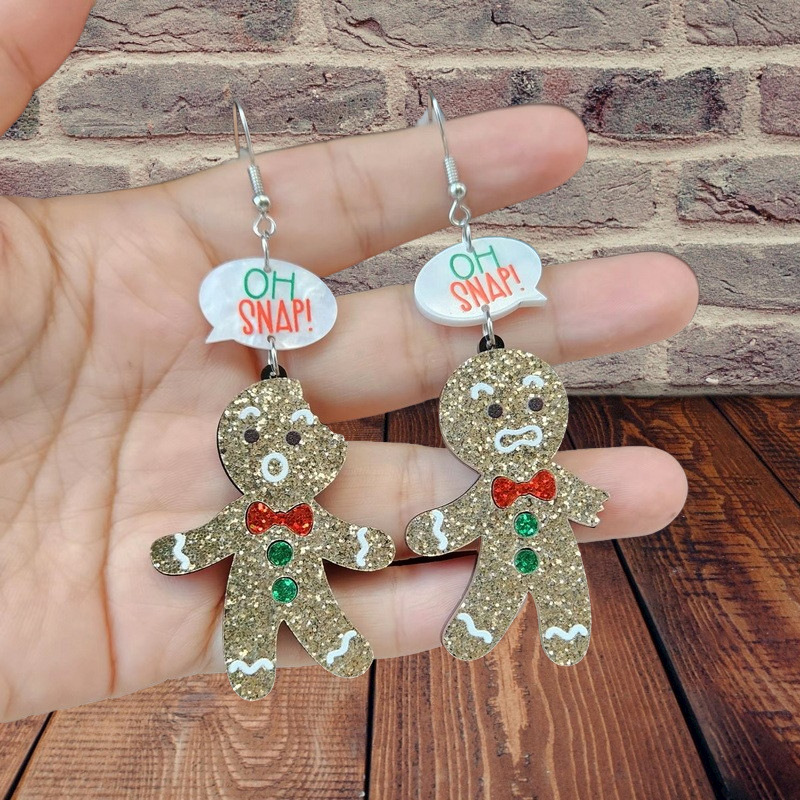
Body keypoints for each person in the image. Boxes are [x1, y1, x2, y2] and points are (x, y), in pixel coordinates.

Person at [0, 2, 697, 722]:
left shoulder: (520, 474)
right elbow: (217, 540)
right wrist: (188, 552)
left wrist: (402, 537)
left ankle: (547, 622)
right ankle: (287, 650)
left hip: (524, 524)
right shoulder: (257, 507)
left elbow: (399, 528)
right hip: (262, 566)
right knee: (268, 613)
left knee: (544, 579)